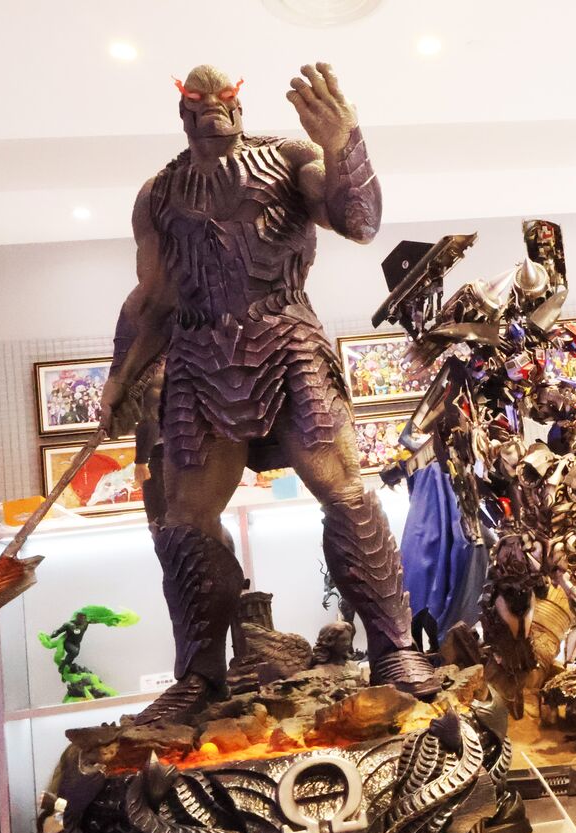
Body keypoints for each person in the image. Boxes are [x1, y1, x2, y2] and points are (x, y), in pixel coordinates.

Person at [99, 62, 435, 722]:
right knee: (186, 517)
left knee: (342, 486)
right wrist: (118, 379)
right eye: (199, 100)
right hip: (198, 353)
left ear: (238, 105)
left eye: (223, 98)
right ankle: (199, 675)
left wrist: (343, 141)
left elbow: (359, 221)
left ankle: (395, 648)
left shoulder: (288, 158)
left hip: (287, 337)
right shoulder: (159, 194)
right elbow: (153, 298)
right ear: (183, 111)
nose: (213, 108)